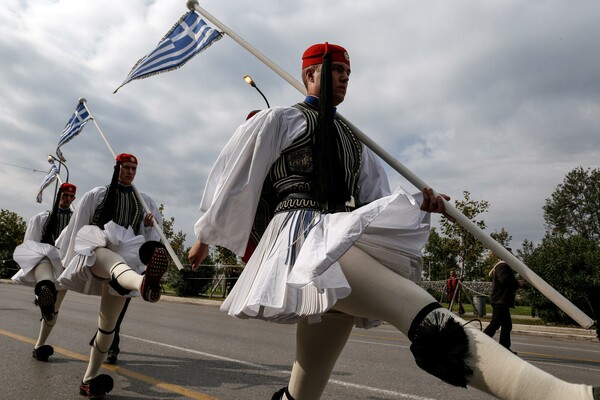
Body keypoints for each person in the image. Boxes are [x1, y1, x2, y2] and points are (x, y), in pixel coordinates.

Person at [189, 43, 599, 400]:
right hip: (301, 239)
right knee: (417, 310)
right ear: (310, 74)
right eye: (337, 70)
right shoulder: (279, 120)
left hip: (337, 234)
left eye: (349, 73)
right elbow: (234, 177)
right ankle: (567, 396)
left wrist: (422, 206)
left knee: (306, 388)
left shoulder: (356, 140)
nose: (345, 78)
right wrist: (205, 235)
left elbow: (376, 201)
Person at [57, 153, 169, 399]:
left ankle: (88, 381)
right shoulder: (96, 195)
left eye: (134, 169)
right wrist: (67, 262)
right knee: (113, 261)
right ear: (117, 168)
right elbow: (77, 227)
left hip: (127, 260)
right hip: (98, 251)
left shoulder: (143, 200)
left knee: (107, 327)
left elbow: (143, 239)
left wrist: (148, 226)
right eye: (126, 168)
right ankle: (143, 283)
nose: (130, 172)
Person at [12, 182, 77, 361]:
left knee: (53, 310)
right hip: (45, 262)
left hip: (64, 268)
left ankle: (39, 345)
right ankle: (43, 291)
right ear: (58, 196)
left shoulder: (76, 221)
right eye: (65, 196)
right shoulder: (42, 218)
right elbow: (31, 244)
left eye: (71, 197)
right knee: (46, 281)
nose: (68, 199)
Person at [483, 248, 525, 354]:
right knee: (495, 324)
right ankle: (480, 343)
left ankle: (504, 348)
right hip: (500, 300)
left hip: (501, 300)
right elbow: (505, 280)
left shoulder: (502, 266)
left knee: (506, 325)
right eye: (510, 254)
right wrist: (517, 283)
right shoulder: (503, 266)